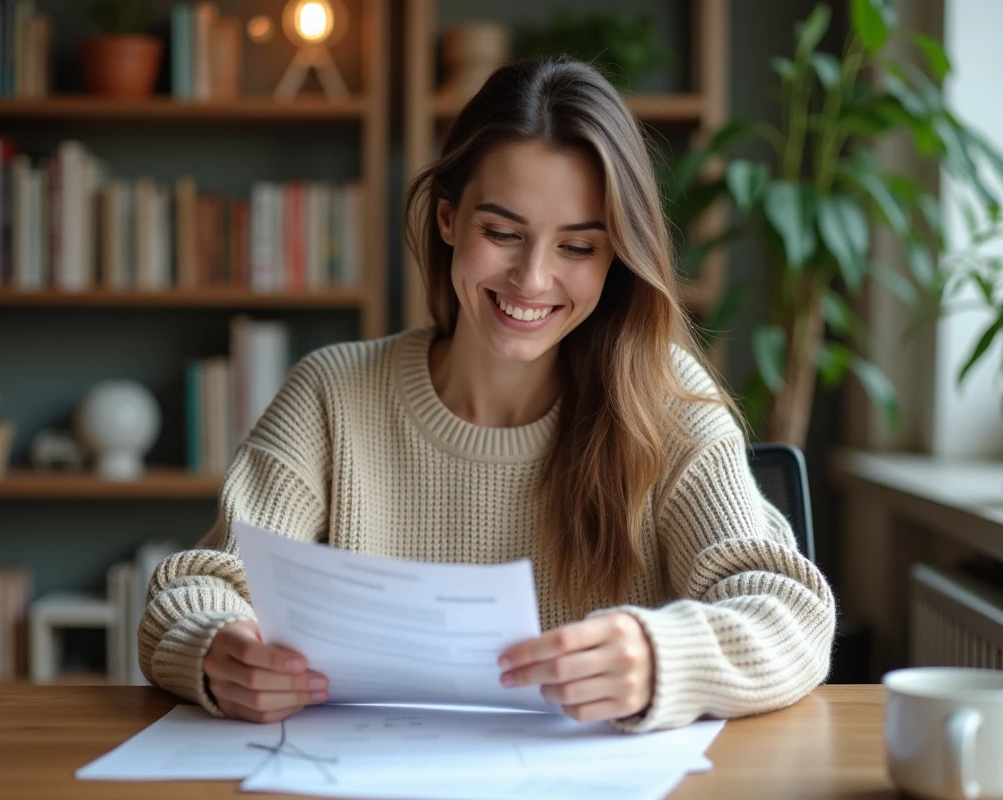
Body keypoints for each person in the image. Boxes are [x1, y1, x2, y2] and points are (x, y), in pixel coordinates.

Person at [139, 58, 836, 733]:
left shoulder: (668, 404)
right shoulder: (331, 395)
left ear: (616, 256)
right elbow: (194, 588)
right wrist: (216, 647)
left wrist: (662, 658)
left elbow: (791, 614)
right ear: (448, 220)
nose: (532, 279)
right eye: (502, 233)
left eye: (578, 248)